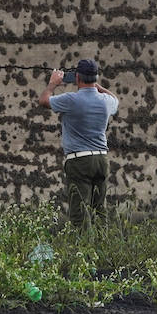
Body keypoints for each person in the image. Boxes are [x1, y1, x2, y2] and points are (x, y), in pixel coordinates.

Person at [38, 57, 119, 227]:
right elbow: (115, 100)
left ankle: (84, 252)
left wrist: (52, 84)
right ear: (95, 78)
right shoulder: (106, 102)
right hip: (101, 159)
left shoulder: (71, 100)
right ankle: (102, 249)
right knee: (99, 212)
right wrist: (97, 87)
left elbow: (44, 101)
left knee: (80, 215)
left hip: (79, 160)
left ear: (77, 78)